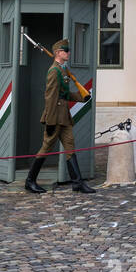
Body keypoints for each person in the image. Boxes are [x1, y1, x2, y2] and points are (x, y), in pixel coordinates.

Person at [24, 39, 96, 194]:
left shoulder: (62, 70)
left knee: (70, 147)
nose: (68, 52)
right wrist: (49, 121)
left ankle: (77, 183)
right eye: (65, 50)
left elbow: (64, 94)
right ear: (58, 53)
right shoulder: (54, 71)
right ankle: (30, 181)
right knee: (46, 147)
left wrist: (80, 97)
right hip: (55, 117)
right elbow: (50, 97)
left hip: (64, 117)